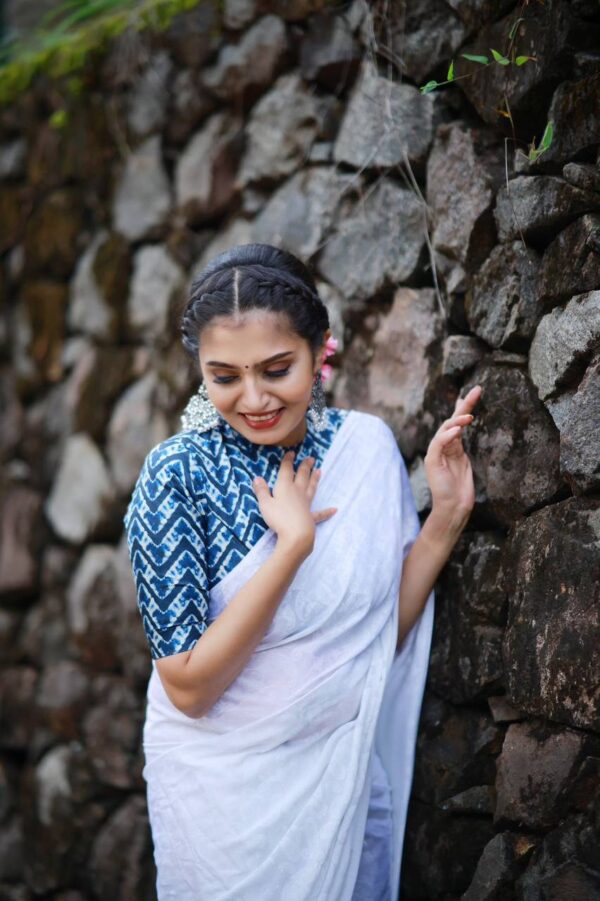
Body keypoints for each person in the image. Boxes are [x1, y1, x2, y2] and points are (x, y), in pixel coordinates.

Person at [123, 243, 481, 901]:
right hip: (223, 813)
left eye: (277, 368)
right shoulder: (176, 478)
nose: (253, 398)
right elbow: (190, 689)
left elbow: (373, 638)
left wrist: (447, 518)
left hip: (337, 788)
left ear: (322, 352)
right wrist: (291, 548)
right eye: (224, 376)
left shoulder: (363, 451)